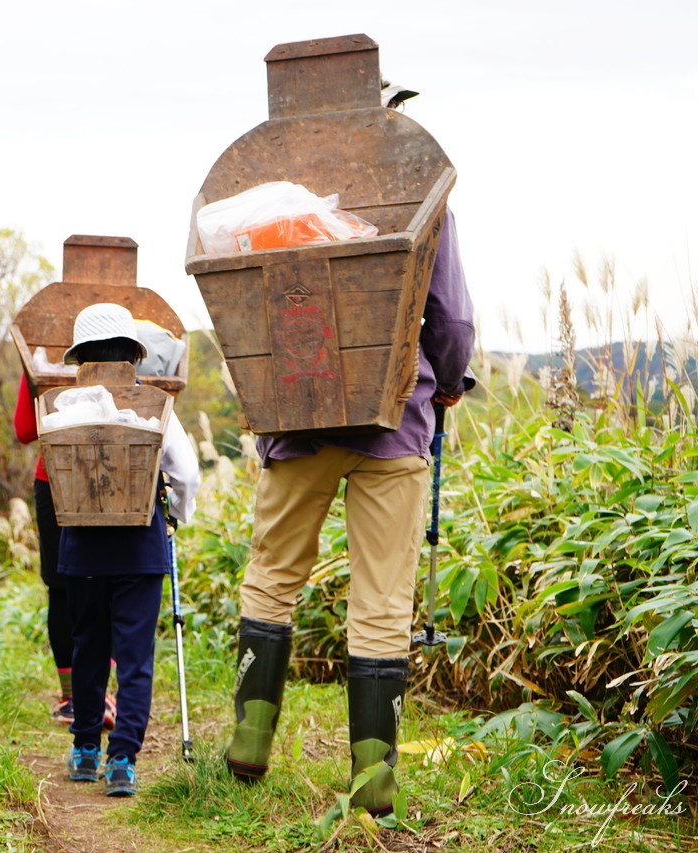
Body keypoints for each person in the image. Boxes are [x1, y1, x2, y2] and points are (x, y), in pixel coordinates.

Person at [224, 205, 475, 815]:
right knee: (385, 599)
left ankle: (250, 746)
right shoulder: (418, 191)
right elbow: (452, 319)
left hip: (297, 417)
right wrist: (446, 382)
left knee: (273, 576)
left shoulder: (276, 193)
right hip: (392, 420)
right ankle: (373, 786)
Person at [55, 303, 200, 797]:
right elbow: (186, 473)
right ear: (134, 357)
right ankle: (122, 761)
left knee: (88, 649)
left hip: (82, 549)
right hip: (140, 548)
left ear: (81, 358)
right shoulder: (155, 405)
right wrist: (177, 514)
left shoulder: (62, 407)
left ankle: (84, 751)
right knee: (135, 658)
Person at [15, 372, 117, 731]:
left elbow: (25, 430)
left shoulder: (40, 360)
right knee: (111, 581)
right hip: (120, 475)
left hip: (56, 478)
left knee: (61, 587)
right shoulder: (132, 355)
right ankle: (102, 691)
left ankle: (72, 698)